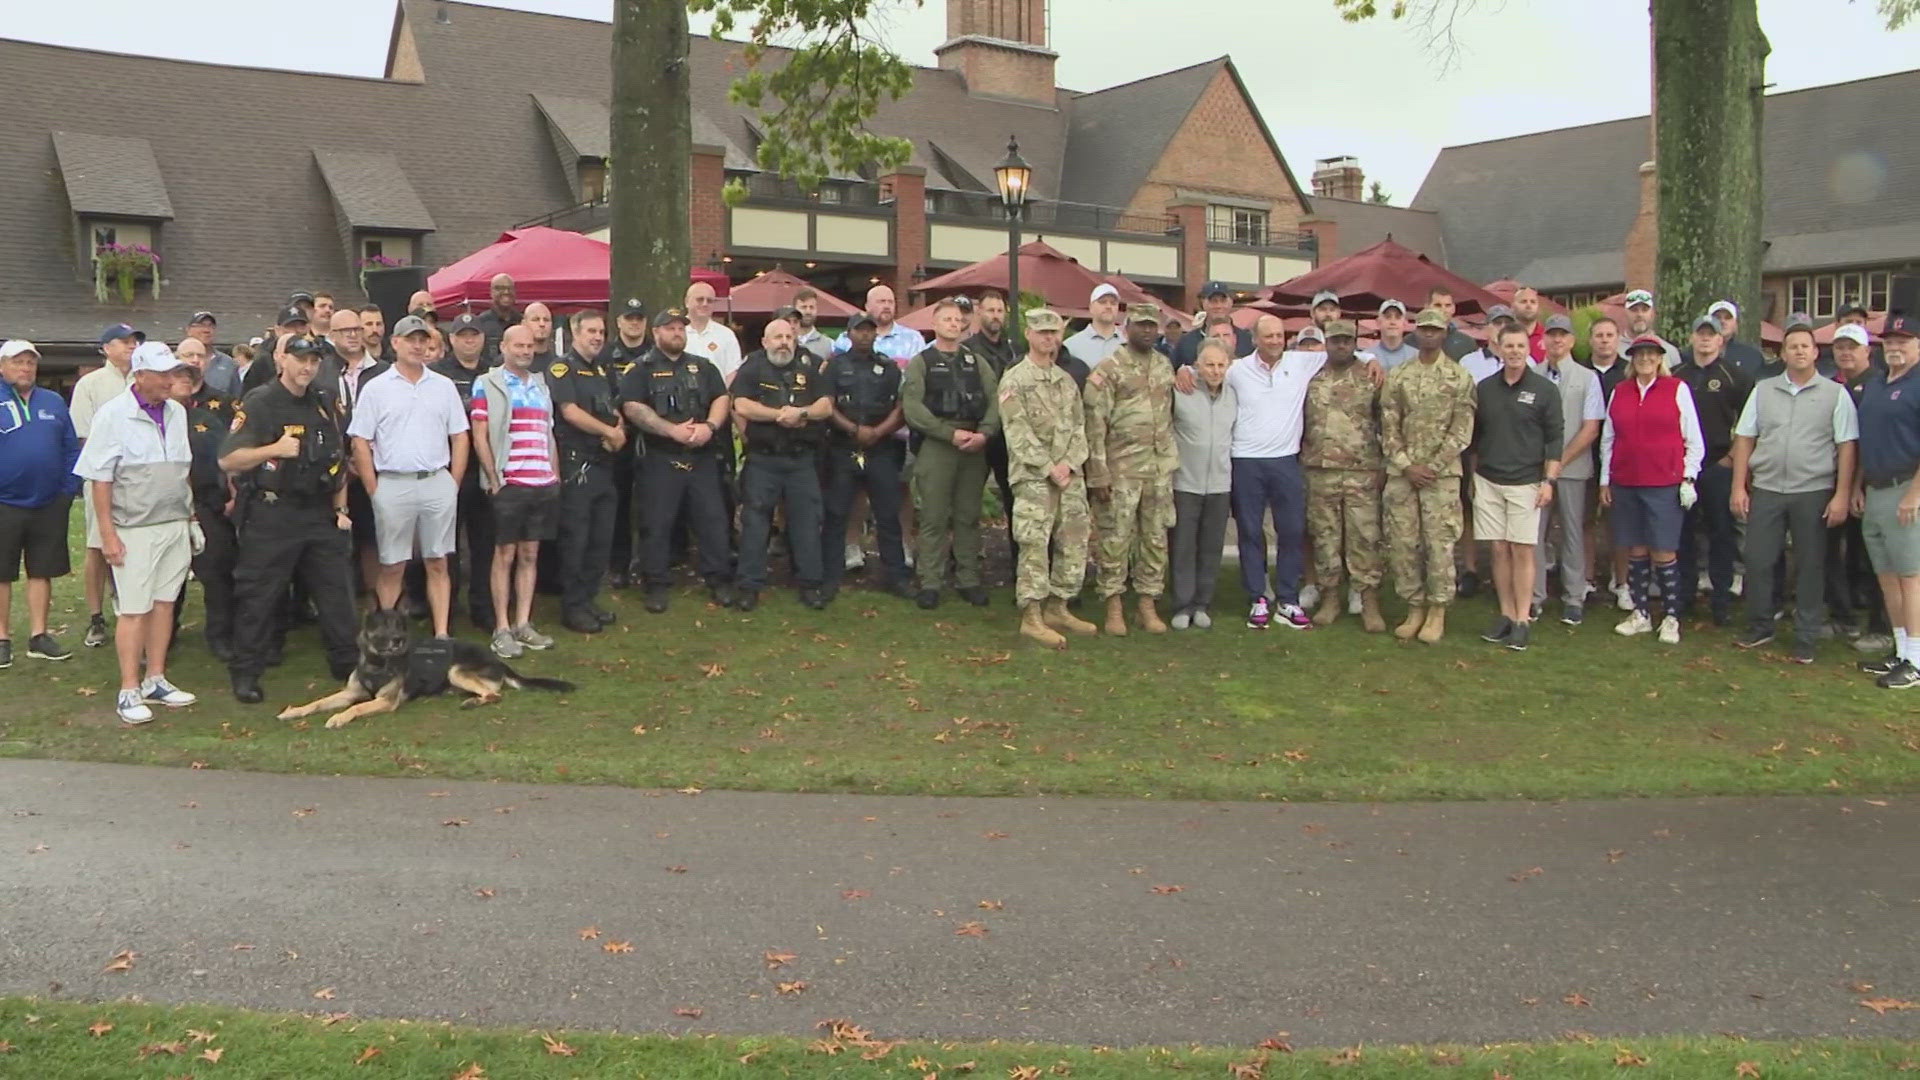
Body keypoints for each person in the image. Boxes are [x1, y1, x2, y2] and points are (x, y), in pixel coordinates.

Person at [221, 331, 361, 703]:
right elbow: (228, 459)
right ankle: (247, 672)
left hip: (318, 511)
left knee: (337, 593)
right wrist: (274, 449)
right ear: (283, 360)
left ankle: (348, 666)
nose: (308, 367)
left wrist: (341, 508)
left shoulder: (325, 401)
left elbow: (340, 462)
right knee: (259, 595)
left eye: (314, 361)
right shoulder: (261, 401)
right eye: (301, 359)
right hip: (272, 513)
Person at [1175, 315, 1333, 631]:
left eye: (1279, 335)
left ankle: (1287, 599)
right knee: (1250, 532)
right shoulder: (1238, 368)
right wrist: (1182, 370)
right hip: (1245, 461)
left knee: (1290, 531)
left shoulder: (1300, 363)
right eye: (1268, 336)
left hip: (1286, 460)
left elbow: (1347, 354)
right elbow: (1207, 369)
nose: (1275, 340)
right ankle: (1257, 597)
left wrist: (1371, 363)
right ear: (1255, 339)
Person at [72, 342, 198, 723]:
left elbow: (181, 470)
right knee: (134, 609)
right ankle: (129, 689)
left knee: (164, 604)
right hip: (134, 527)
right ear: (139, 375)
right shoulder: (113, 415)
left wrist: (190, 519)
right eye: (162, 374)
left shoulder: (176, 412)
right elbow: (101, 478)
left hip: (173, 522)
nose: (169, 381)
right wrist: (108, 534)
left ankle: (154, 679)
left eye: (172, 373)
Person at [1729, 321, 1858, 664]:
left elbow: (1846, 447)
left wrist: (1842, 493)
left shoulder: (1835, 394)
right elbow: (1744, 438)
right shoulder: (1763, 390)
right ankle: (1760, 625)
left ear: (1816, 352)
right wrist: (1739, 486)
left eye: (1805, 346)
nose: (1799, 351)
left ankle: (1805, 636)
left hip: (1813, 490)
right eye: (1792, 346)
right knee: (1757, 559)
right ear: (1782, 353)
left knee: (1811, 565)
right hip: (1767, 488)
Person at [347, 316, 472, 640]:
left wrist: (452, 483)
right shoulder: (376, 388)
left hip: (436, 481)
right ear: (396, 343)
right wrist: (374, 488)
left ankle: (442, 634)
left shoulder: (443, 387)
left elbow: (460, 435)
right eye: (411, 340)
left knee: (438, 561)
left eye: (422, 340)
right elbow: (359, 439)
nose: (418, 346)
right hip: (393, 483)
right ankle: (386, 633)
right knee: (392, 565)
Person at [619, 308, 734, 611]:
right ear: (656, 333)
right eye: (669, 328)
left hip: (701, 457)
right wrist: (671, 430)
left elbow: (722, 397)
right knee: (656, 524)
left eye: (680, 328)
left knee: (713, 521)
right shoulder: (640, 369)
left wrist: (710, 427)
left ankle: (718, 579)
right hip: (660, 458)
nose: (676, 333)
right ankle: (655, 584)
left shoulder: (703, 367)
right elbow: (632, 407)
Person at [996, 308, 1095, 645]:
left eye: (1054, 333)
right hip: (1033, 478)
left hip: (1068, 476)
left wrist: (1068, 464)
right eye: (1043, 332)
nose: (1049, 338)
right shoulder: (1015, 380)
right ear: (1029, 334)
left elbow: (1081, 429)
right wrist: (1049, 468)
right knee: (1034, 544)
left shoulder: (1065, 381)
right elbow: (1017, 431)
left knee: (1073, 541)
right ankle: (1032, 615)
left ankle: (1059, 605)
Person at [1380, 308, 1478, 643]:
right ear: (1415, 332)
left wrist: (1432, 468)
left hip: (1442, 477)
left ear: (1445, 333)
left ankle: (1437, 610)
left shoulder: (1458, 377)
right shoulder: (1399, 375)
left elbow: (1462, 430)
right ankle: (1415, 607)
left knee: (1439, 546)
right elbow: (1388, 424)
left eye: (1435, 330)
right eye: (1423, 329)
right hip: (1403, 475)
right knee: (1404, 544)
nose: (1429, 335)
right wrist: (1407, 465)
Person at [1601, 334, 1704, 646]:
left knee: (1663, 550)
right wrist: (1605, 479)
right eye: (1639, 354)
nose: (1645, 359)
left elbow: (1693, 439)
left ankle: (1671, 616)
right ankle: (1641, 613)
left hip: (1663, 483)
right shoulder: (1620, 391)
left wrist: (1688, 477)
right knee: (1635, 548)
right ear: (1632, 359)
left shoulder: (1677, 389)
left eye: (1651, 354)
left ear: (1660, 358)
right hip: (1626, 481)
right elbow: (1609, 439)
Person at [1084, 303, 1179, 635]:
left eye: (1153, 326)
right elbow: (1095, 424)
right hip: (1121, 470)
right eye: (1141, 325)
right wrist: (1097, 472)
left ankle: (1147, 604)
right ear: (1126, 329)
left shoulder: (1165, 366)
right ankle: (1113, 605)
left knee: (1155, 539)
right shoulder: (1109, 369)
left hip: (1158, 469)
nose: (1148, 331)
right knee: (1115, 540)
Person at [902, 298, 999, 609]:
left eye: (958, 320)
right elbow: (913, 408)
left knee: (968, 516)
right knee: (933, 516)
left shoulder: (976, 362)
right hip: (938, 444)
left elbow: (996, 399)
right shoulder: (922, 362)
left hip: (973, 444)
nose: (953, 325)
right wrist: (948, 434)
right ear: (935, 323)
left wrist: (984, 433)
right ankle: (930, 581)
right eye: (947, 320)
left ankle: (968, 579)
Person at [470, 324, 559, 658]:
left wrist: (553, 474)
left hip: (541, 483)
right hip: (510, 483)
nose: (525, 350)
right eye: (518, 345)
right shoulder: (487, 383)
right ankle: (502, 627)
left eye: (530, 345)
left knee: (530, 555)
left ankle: (524, 623)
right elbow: (480, 434)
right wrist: (493, 477)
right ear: (504, 346)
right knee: (504, 555)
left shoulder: (540, 385)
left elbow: (548, 433)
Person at [732, 317, 833, 611]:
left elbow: (826, 405)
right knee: (755, 523)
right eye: (777, 337)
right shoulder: (752, 366)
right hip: (764, 459)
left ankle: (810, 584)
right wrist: (779, 415)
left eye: (789, 336)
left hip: (801, 459)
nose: (784, 342)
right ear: (765, 342)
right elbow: (741, 405)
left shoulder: (811, 365)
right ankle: (749, 585)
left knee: (806, 521)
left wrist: (800, 413)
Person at [1472, 326, 1564, 651]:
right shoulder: (1484, 389)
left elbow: (1555, 438)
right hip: (1488, 480)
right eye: (1508, 345)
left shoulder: (1544, 390)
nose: (1513, 351)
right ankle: (1506, 615)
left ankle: (1524, 619)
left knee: (1522, 549)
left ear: (1530, 348)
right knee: (1498, 549)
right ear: (1498, 348)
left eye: (1519, 346)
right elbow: (1475, 437)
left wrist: (1549, 481)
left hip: (1527, 481)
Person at [1300, 320, 1386, 631]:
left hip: (1360, 471)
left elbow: (1385, 423)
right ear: (1327, 341)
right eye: (1335, 340)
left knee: (1365, 537)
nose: (1341, 345)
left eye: (1347, 341)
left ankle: (1369, 601)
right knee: (1325, 538)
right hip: (1320, 471)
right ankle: (1330, 598)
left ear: (1355, 343)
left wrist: (1383, 467)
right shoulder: (1311, 376)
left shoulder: (1370, 377)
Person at [1849, 313, 1920, 688]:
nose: (1895, 347)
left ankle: (1918, 661)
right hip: (1875, 488)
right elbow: (1866, 441)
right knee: (1887, 576)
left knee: (1911, 577)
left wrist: (1914, 494)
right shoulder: (1876, 384)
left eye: (1903, 341)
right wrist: (1858, 484)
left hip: (1906, 488)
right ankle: (1902, 651)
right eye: (1890, 341)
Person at [0, 340, 80, 667]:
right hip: (4, 502)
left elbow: (71, 448)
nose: (25, 368)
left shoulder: (53, 401)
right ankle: (2, 638)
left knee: (42, 570)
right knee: (1, 573)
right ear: (3, 366)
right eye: (18, 362)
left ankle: (39, 635)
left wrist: (66, 491)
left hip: (49, 502)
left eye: (30, 363)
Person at [543, 310, 624, 632]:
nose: (597, 337)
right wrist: (608, 433)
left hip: (605, 464)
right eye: (590, 331)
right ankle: (573, 606)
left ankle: (589, 598)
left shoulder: (602, 369)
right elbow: (570, 411)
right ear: (575, 333)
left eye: (601, 331)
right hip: (578, 465)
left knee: (600, 539)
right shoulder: (563, 368)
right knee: (576, 538)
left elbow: (613, 407)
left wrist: (619, 431)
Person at [820, 313, 911, 598]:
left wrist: (877, 431)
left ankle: (895, 576)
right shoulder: (834, 367)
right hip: (842, 447)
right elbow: (827, 406)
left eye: (869, 330)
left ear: (875, 334)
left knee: (887, 513)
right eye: (859, 330)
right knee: (836, 513)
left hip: (881, 447)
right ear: (848, 334)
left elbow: (900, 408)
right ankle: (830, 577)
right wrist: (854, 429)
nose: (864, 335)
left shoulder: (889, 368)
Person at [1675, 314, 1754, 625]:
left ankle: (1721, 600)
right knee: (1685, 532)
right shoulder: (1677, 374)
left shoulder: (1735, 375)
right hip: (1684, 465)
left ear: (1721, 339)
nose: (1705, 339)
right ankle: (1686, 594)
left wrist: (1733, 458)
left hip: (1719, 462)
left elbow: (1750, 423)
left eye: (1712, 334)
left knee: (1721, 532)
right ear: (1692, 337)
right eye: (1700, 333)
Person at [1531, 314, 1605, 625]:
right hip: (1535, 469)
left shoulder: (1588, 378)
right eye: (1552, 335)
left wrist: (1559, 462)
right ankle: (1534, 596)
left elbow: (1591, 428)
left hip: (1573, 468)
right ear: (1543, 340)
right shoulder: (1532, 374)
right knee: (1534, 533)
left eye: (1563, 335)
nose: (1557, 340)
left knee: (1573, 532)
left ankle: (1574, 596)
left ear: (1573, 341)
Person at [71, 322, 139, 649]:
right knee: (98, 547)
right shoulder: (90, 384)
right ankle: (96, 616)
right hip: (102, 478)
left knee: (134, 545)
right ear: (106, 348)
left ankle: (130, 606)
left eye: (133, 342)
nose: (130, 347)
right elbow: (85, 437)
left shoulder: (144, 379)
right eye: (123, 342)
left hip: (139, 482)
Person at [170, 345, 238, 662]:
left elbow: (226, 458)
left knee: (217, 571)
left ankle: (221, 636)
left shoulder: (207, 419)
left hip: (208, 504)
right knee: (168, 577)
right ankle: (164, 634)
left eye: (190, 376)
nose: (185, 380)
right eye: (179, 375)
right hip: (167, 507)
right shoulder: (155, 419)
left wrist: (232, 494)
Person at [431, 312, 497, 629]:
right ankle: (448, 606)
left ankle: (482, 607)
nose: (469, 340)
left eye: (474, 335)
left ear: (482, 339)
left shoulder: (494, 373)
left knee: (485, 543)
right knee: (447, 545)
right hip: (450, 470)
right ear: (452, 340)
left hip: (486, 469)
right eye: (462, 335)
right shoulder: (437, 375)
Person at [1168, 338, 1236, 631]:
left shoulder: (1234, 394)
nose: (1215, 370)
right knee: (1183, 546)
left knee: (1211, 547)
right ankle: (1183, 604)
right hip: (1186, 482)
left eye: (1221, 365)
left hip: (1220, 483)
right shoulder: (1180, 390)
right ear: (1197, 365)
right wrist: (1178, 371)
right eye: (1209, 364)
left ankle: (1202, 603)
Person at [1830, 322, 1889, 650]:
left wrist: (1857, 486)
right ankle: (1844, 617)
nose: (1845, 352)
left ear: (1867, 350)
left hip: (1869, 484)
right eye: (1840, 347)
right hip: (1836, 482)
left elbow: (1867, 443)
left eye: (1852, 346)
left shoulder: (1878, 385)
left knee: (1871, 557)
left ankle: (1880, 625)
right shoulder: (1834, 386)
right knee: (1835, 553)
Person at [965, 289, 1021, 563]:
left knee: (1014, 501)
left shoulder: (1013, 350)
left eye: (1000, 311)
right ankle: (966, 558)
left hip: (1008, 438)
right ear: (979, 313)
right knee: (968, 499)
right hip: (978, 432)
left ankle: (1018, 561)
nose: (996, 316)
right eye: (990, 310)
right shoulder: (969, 350)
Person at [603, 298, 653, 588]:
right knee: (619, 504)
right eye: (629, 318)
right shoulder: (606, 354)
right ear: (619, 322)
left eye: (639, 318)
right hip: (618, 437)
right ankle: (618, 565)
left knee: (651, 504)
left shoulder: (654, 353)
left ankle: (647, 563)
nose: (634, 323)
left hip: (651, 438)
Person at [833, 284, 926, 363]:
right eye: (881, 302)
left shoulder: (913, 339)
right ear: (867, 306)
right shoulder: (846, 339)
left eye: (890, 302)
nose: (886, 306)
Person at [1169, 281, 1254, 368]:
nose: (1218, 306)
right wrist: (1182, 371)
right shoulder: (1186, 342)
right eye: (1213, 301)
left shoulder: (1247, 340)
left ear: (1231, 302)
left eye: (1223, 301)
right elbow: (1172, 371)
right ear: (1203, 303)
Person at [684, 281, 744, 382]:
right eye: (700, 299)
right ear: (686, 302)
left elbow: (733, 372)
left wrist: (723, 397)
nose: (705, 304)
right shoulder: (676, 332)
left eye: (710, 301)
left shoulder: (726, 335)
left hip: (718, 397)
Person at [242, 306, 312, 392]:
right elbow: (248, 396)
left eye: (301, 326)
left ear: (308, 329)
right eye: (289, 327)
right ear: (277, 330)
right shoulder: (263, 361)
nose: (295, 331)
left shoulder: (316, 358)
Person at [1065, 283, 1126, 370]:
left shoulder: (1127, 344)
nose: (1108, 306)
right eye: (1102, 302)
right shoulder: (1071, 346)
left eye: (1113, 303)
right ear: (1091, 307)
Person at [1705, 300, 1770, 381]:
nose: (1722, 321)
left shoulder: (1752, 356)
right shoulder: (1691, 355)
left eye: (1727, 318)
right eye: (1717, 317)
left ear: (1735, 324)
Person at [185, 311, 241, 396]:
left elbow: (236, 399)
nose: (207, 330)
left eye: (211, 326)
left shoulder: (228, 364)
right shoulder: (174, 361)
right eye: (201, 325)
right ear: (188, 330)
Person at [470, 273, 520, 358]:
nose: (506, 292)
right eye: (500, 288)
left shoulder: (521, 322)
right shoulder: (480, 323)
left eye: (509, 288)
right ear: (491, 292)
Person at [1425, 287, 1478, 361]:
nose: (1443, 310)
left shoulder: (1467, 343)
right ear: (1427, 307)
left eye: (1448, 305)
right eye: (1438, 305)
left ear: (1453, 308)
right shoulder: (1411, 341)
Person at [1371, 300, 1418, 370]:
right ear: (1378, 322)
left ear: (1405, 323)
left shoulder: (1417, 357)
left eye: (1398, 317)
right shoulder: (1366, 357)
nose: (1393, 322)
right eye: (1387, 317)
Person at [791, 288, 834, 363]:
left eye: (812, 307)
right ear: (794, 311)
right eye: (803, 307)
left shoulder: (829, 344)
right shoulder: (786, 340)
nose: (808, 312)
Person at [1510, 285, 1546, 361]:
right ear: (1513, 306)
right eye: (1523, 301)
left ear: (1538, 307)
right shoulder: (1506, 336)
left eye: (1533, 302)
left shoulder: (1548, 336)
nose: (1529, 305)